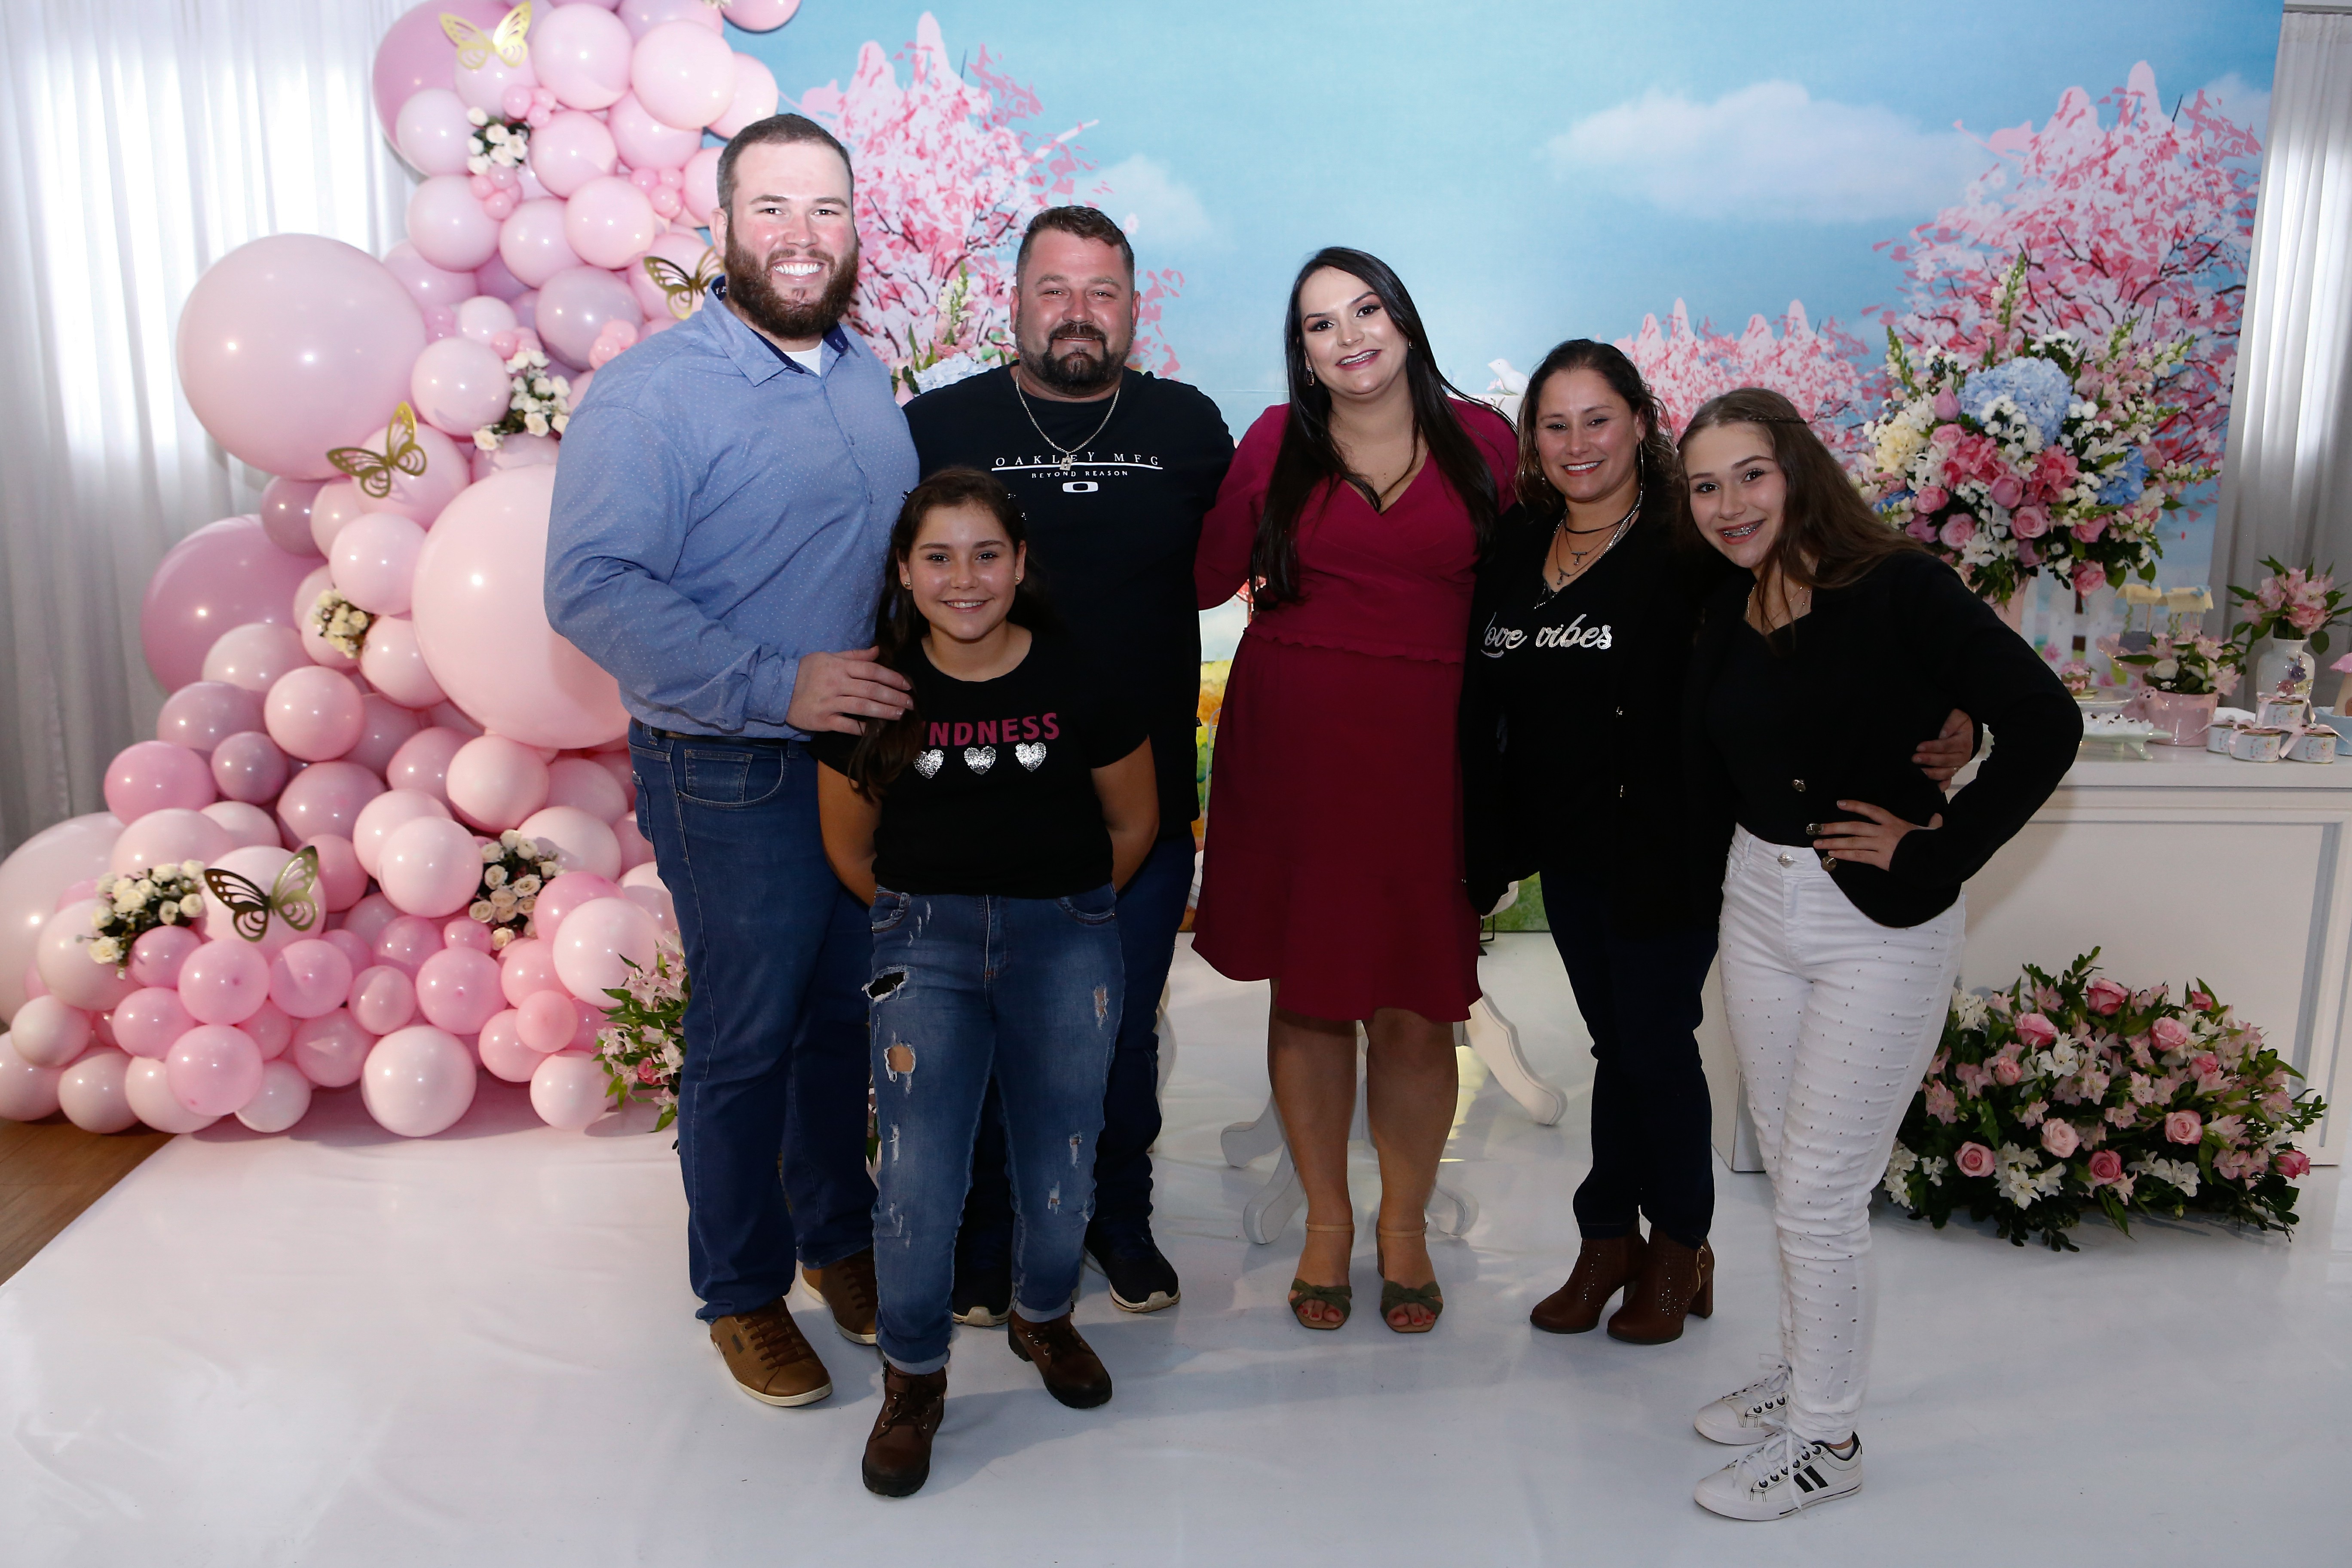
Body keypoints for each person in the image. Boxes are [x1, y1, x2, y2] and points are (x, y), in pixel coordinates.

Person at [1460, 343, 1977, 1346]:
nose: (1577, 443)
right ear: (1533, 438)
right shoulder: (1519, 541)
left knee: (1652, 1045)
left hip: (1673, 838)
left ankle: (1674, 1244)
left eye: (1598, 419)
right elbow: (1491, 698)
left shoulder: (1689, 539)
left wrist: (1951, 709)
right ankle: (1610, 1241)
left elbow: (1827, 628)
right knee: (1620, 1046)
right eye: (1555, 424)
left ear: (1640, 420)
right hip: (1567, 848)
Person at [545, 113, 917, 1411]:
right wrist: (780, 682)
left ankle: (835, 1238)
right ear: (721, 227)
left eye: (826, 209)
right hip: (728, 770)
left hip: (854, 767)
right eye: (772, 208)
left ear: (855, 228)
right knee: (747, 1038)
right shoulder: (656, 393)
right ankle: (741, 1291)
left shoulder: (862, 375)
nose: (801, 236)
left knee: (838, 1022)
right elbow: (591, 587)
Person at [1675, 388, 2079, 1520]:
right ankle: (1808, 1375)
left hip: (1876, 926)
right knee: (1789, 1165)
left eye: (1751, 475)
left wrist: (1937, 848)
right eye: (1705, 486)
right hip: (1758, 904)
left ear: (1799, 470)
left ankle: (1827, 1440)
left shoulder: (1900, 583)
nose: (1729, 504)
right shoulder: (1727, 599)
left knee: (1820, 1189)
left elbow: (2045, 718)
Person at [904, 206, 1234, 1321]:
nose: (1078, 313)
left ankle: (1117, 1217)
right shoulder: (938, 425)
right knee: (989, 1035)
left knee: (1119, 1032)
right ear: (1015, 302)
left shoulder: (1187, 426)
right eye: (1055, 290)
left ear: (1134, 309)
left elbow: (1272, 547)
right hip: (980, 798)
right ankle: (989, 1230)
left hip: (1139, 802)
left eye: (1102, 292)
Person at [813, 468, 1159, 1498]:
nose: (964, 579)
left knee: (1062, 1157)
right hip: (926, 948)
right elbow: (852, 850)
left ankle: (1042, 1317)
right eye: (938, 557)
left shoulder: (1083, 675)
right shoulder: (871, 693)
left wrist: (1067, 913)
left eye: (986, 555)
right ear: (903, 572)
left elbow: (1135, 822)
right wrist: (929, 925)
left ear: (1020, 563)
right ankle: (913, 1377)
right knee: (919, 1176)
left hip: (1067, 941)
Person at [1193, 247, 1515, 1334]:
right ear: (1303, 353)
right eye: (1321, 324)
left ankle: (1403, 1226)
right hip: (1296, 755)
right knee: (1312, 996)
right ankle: (1328, 1223)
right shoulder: (1273, 443)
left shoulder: (1487, 442)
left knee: (1420, 1009)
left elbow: (1542, 583)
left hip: (1432, 759)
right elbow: (1201, 575)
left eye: (1366, 309)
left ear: (1404, 320)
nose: (1349, 336)